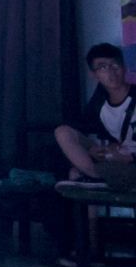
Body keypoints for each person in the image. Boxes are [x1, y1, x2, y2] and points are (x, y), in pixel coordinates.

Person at [54, 43, 135, 182]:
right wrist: (92, 149)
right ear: (94, 74)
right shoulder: (99, 102)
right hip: (116, 155)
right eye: (103, 67)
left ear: (124, 67)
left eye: (115, 65)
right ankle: (95, 175)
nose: (111, 72)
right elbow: (82, 127)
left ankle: (98, 176)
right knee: (63, 132)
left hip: (130, 157)